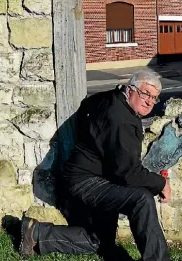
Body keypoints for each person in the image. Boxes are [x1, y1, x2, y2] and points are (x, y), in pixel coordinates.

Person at [19, 70, 171, 261]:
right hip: (86, 181)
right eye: (145, 93)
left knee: (98, 242)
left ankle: (35, 233)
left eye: (154, 98)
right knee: (142, 199)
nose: (149, 101)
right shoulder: (121, 120)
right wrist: (161, 184)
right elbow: (129, 173)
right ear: (131, 89)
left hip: (92, 177)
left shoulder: (109, 98)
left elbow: (85, 107)